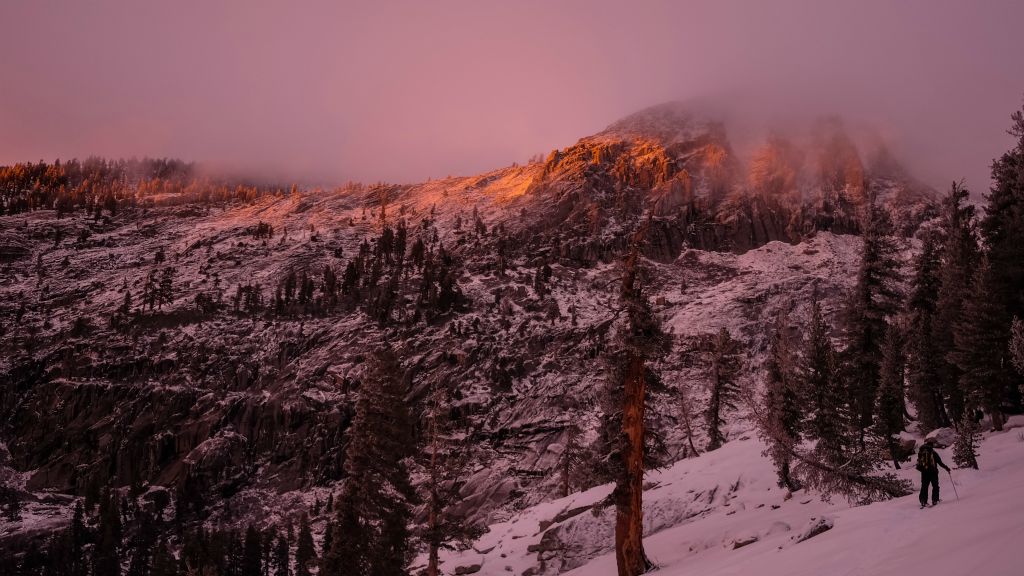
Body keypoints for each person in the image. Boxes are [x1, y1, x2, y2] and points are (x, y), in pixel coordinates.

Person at [916, 438, 950, 508]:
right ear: (932, 446)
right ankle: (935, 500)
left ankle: (923, 501)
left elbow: (919, 462)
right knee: (935, 486)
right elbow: (940, 463)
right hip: (933, 472)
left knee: (924, 487)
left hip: (924, 473)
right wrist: (946, 468)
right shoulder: (933, 453)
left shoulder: (921, 452)